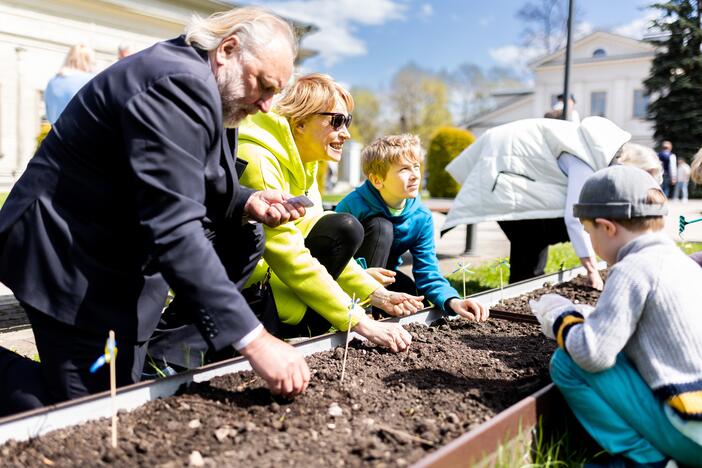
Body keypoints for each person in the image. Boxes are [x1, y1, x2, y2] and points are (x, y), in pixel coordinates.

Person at [0, 7, 311, 416]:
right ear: (228, 49)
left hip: (110, 251)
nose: (268, 106)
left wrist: (245, 201)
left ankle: (157, 355)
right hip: (68, 253)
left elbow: (185, 178)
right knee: (87, 413)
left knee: (116, 393)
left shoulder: (208, 85)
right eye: (264, 86)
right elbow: (176, 227)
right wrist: (255, 340)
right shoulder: (178, 83)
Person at [237, 73, 424, 352]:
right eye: (337, 121)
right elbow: (290, 255)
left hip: (281, 288)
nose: (346, 132)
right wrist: (358, 320)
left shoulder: (305, 164)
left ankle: (312, 325)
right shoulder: (259, 161)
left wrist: (375, 295)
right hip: (250, 299)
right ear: (300, 122)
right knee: (345, 227)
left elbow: (313, 246)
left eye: (347, 121)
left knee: (343, 229)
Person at [529, 165, 702, 466]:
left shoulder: (632, 268)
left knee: (567, 362)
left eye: (588, 231)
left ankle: (646, 460)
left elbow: (593, 354)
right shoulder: (683, 264)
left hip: (692, 434)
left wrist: (561, 315)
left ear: (607, 227)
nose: (591, 245)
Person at [443, 117, 662, 289]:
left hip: (509, 169)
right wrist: (592, 269)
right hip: (504, 173)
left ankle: (525, 283)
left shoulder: (597, 148)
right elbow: (575, 217)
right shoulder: (588, 158)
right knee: (532, 230)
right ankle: (523, 285)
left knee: (534, 231)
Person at [335, 134, 488, 322]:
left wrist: (453, 301)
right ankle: (363, 313)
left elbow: (427, 271)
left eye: (416, 167)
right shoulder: (352, 206)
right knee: (382, 227)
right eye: (405, 169)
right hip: (348, 279)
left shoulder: (421, 217)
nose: (415, 175)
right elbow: (332, 258)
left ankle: (381, 312)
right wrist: (359, 274)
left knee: (416, 301)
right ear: (377, 180)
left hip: (386, 278)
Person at [44, 43, 95, 124]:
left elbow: (49, 115)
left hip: (56, 132)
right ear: (89, 60)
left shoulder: (53, 82)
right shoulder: (91, 81)